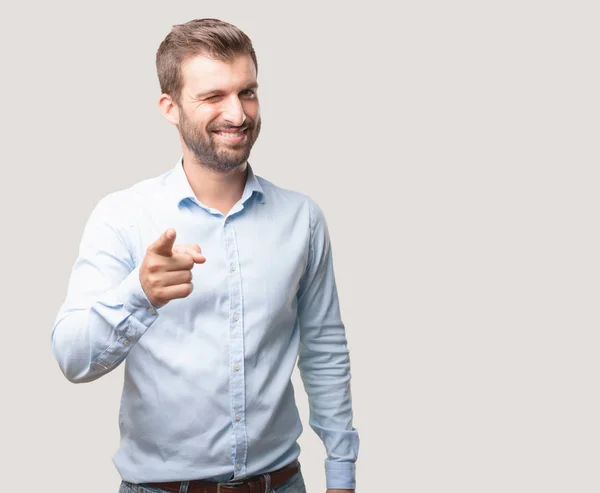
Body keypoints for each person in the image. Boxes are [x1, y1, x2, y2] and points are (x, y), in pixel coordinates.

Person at [51, 18, 359, 493]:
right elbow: (72, 357)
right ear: (169, 108)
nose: (237, 114)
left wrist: (341, 475)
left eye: (248, 92)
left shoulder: (303, 218)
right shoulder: (123, 216)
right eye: (213, 97)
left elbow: (323, 350)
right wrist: (140, 293)